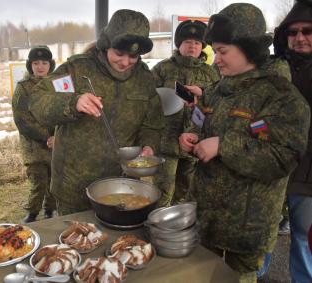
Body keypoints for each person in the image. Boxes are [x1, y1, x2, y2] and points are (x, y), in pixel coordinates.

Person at [179, 3, 310, 282]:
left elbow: (283, 157)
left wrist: (223, 146)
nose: (216, 60)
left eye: (223, 52)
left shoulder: (281, 96)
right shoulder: (217, 90)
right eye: (215, 51)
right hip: (206, 220)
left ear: (249, 49)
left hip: (246, 229)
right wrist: (192, 137)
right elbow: (201, 124)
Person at [27, 9, 164, 215]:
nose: (126, 62)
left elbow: (152, 123)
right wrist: (73, 102)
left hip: (122, 184)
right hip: (74, 186)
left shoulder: (144, 79)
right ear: (106, 45)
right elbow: (38, 100)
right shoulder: (78, 70)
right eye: (119, 53)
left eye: (133, 56)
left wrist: (148, 146)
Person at [152, 20, 219, 206]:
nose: (193, 46)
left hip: (194, 143)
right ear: (178, 44)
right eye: (188, 41)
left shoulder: (212, 74)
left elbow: (221, 102)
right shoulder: (162, 68)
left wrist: (203, 94)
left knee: (186, 190)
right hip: (166, 141)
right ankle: (158, 226)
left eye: (197, 43)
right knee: (162, 191)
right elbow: (147, 98)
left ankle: (178, 227)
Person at [273, 0, 312, 281]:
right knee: (265, 225)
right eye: (293, 32)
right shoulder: (276, 70)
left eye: (308, 31)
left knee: (303, 233)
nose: (299, 38)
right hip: (273, 166)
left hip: (308, 172)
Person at [12, 45, 57, 223]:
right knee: (39, 183)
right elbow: (22, 121)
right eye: (36, 63)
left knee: (54, 181)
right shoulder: (23, 88)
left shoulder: (56, 84)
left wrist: (58, 136)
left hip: (55, 145)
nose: (40, 66)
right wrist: (47, 137)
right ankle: (32, 214)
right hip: (34, 147)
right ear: (30, 65)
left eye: (44, 63)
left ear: (50, 65)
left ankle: (50, 211)